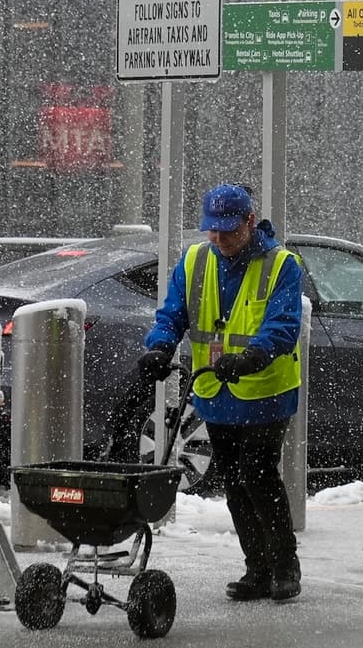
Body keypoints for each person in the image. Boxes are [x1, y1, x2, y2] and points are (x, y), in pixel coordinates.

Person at [126, 183, 305, 602]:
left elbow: (283, 324)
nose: (220, 239)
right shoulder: (194, 261)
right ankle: (256, 568)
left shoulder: (281, 265)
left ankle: (284, 565)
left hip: (265, 389)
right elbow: (174, 313)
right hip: (214, 388)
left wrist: (253, 356)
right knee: (234, 481)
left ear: (249, 221)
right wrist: (159, 346)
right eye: (213, 231)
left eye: (228, 230)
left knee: (257, 475)